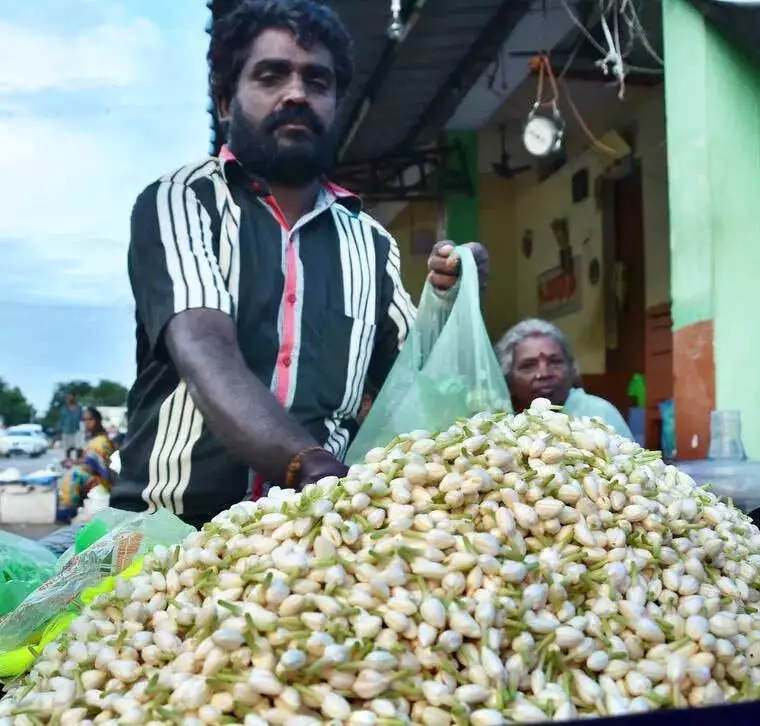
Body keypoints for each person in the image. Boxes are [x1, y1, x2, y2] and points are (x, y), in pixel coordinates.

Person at [113, 0, 489, 529]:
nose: (296, 93)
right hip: (170, 533)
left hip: (313, 538)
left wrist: (454, 299)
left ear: (335, 103)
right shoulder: (183, 200)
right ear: (225, 101)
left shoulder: (372, 243)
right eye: (271, 75)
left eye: (317, 81)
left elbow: (413, 384)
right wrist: (309, 465)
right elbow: (204, 348)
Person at [495, 318, 633, 438]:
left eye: (555, 362)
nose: (544, 374)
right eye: (528, 365)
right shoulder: (500, 421)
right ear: (509, 379)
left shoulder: (598, 414)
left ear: (571, 369)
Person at [57, 407, 118, 521]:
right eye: (84, 420)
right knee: (75, 471)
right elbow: (90, 460)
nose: (87, 423)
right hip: (101, 479)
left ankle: (67, 510)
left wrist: (74, 464)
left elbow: (94, 465)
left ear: (98, 420)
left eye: (90, 419)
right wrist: (74, 462)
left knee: (75, 474)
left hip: (106, 483)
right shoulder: (95, 438)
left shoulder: (100, 441)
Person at [59, 392, 83, 460]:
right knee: (67, 450)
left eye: (71, 397)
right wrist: (60, 432)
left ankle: (78, 465)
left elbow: (82, 419)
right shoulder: (63, 408)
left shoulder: (79, 407)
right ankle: (69, 464)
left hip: (77, 432)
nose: (70, 399)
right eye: (68, 397)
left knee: (79, 449)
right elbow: (61, 420)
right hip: (66, 432)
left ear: (74, 398)